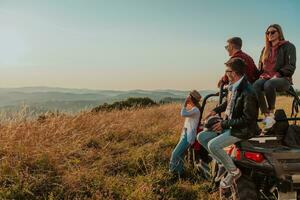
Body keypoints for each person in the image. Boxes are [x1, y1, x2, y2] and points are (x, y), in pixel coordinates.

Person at [197, 58, 259, 188]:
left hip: (243, 130)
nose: (226, 73)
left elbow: (247, 119)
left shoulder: (248, 92)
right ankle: (223, 163)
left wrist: (224, 124)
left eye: (227, 71)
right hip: (231, 125)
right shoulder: (233, 87)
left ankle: (234, 171)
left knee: (213, 145)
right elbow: (228, 103)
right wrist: (215, 110)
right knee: (201, 137)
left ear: (234, 73)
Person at [253, 24, 296, 130]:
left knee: (269, 84)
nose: (270, 34)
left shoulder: (288, 46)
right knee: (255, 85)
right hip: (266, 77)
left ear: (279, 33)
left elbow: (291, 65)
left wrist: (278, 74)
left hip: (283, 78)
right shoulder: (265, 49)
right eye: (267, 33)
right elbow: (260, 68)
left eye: (273, 32)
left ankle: (271, 111)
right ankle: (267, 116)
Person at [169, 90, 202, 177]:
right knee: (180, 155)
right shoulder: (194, 109)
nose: (187, 98)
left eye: (188, 97)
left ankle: (172, 173)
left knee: (175, 154)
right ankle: (180, 174)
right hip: (186, 135)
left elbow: (183, 114)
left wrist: (185, 103)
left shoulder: (195, 110)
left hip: (188, 136)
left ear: (191, 98)